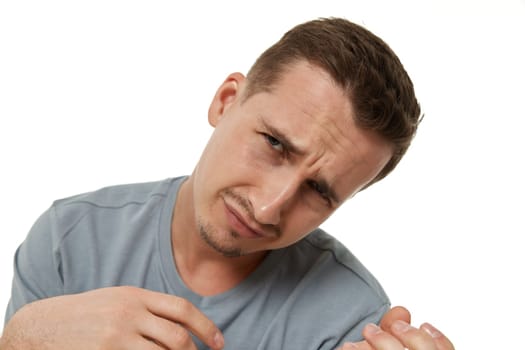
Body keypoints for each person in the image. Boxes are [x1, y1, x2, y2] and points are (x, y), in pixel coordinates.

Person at [1, 17, 454, 350]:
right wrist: (21, 339)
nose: (268, 208)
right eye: (275, 144)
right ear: (225, 101)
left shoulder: (349, 320)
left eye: (319, 192)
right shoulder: (71, 238)